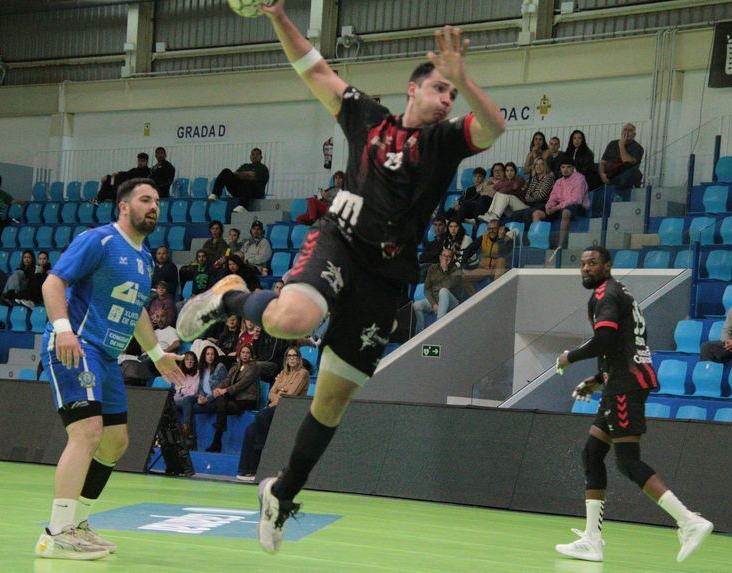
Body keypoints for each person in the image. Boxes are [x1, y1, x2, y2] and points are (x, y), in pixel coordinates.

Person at [176, 2, 505, 554]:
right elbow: (315, 68)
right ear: (413, 89)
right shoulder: (368, 118)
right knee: (290, 319)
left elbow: (492, 126)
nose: (448, 100)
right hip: (341, 240)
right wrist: (278, 14)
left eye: (452, 94)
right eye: (441, 90)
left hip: (387, 281)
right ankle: (229, 295)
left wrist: (465, 76)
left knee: (330, 404)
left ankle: (281, 493)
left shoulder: (445, 142)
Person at [35, 177, 184, 560]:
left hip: (107, 357)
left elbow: (136, 313)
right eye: (145, 199)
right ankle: (58, 530)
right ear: (123, 206)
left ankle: (80, 523)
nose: (154, 207)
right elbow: (53, 283)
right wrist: (64, 329)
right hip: (77, 347)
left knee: (116, 442)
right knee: (87, 432)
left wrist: (156, 354)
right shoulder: (98, 240)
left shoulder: (145, 257)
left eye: (157, 202)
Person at [554, 246, 713, 564]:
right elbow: (625, 344)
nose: (586, 268)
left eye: (593, 263)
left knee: (627, 462)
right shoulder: (618, 292)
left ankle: (689, 521)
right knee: (593, 453)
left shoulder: (606, 294)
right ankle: (592, 540)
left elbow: (605, 340)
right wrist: (598, 379)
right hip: (620, 381)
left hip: (626, 385)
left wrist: (568, 357)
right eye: (582, 263)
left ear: (608, 266)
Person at [236, 346, 310, 482]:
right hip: (277, 407)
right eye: (290, 356)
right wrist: (279, 397)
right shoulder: (283, 373)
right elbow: (271, 393)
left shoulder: (302, 373)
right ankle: (246, 470)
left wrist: (276, 398)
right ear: (286, 359)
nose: (292, 359)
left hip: (291, 410)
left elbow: (291, 395)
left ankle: (264, 448)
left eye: (295, 356)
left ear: (299, 359)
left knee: (261, 416)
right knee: (250, 430)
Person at [205, 343, 260, 452]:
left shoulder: (254, 367)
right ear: (239, 353)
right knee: (221, 401)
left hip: (248, 400)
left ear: (251, 355)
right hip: (236, 398)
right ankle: (217, 441)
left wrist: (225, 390)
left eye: (247, 353)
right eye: (243, 352)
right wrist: (218, 388)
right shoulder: (236, 366)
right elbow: (227, 380)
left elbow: (241, 384)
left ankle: (217, 440)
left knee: (221, 406)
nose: (245, 355)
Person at [535, 156, 590, 252]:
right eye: (563, 167)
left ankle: (561, 246)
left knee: (566, 212)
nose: (565, 170)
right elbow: (553, 197)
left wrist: (556, 208)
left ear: (573, 168)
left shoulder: (579, 178)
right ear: (560, 168)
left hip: (579, 207)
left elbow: (576, 199)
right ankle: (538, 245)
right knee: (537, 213)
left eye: (568, 167)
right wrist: (549, 206)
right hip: (561, 206)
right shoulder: (559, 181)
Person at [413, 248, 461, 334]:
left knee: (443, 291)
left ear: (453, 259)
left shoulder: (457, 271)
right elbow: (427, 289)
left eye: (449, 257)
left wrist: (445, 270)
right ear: (440, 257)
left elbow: (448, 285)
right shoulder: (432, 268)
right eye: (444, 256)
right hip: (436, 301)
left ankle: (438, 328)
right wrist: (434, 304)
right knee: (417, 305)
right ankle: (421, 332)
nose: (446, 259)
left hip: (452, 302)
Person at [460, 219, 513, 296]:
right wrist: (463, 265)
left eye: (494, 228)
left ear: (499, 229)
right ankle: (475, 299)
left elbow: (503, 254)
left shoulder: (508, 240)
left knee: (500, 260)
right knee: (464, 277)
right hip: (484, 269)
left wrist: (501, 239)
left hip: (499, 270)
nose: (491, 231)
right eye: (489, 229)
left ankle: (495, 293)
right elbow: (468, 250)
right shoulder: (484, 238)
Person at [209, 148, 270, 212]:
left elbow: (252, 177)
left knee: (248, 182)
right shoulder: (245, 165)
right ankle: (215, 194)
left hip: (255, 192)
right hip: (241, 190)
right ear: (250, 157)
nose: (254, 156)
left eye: (257, 154)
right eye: (253, 154)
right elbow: (235, 174)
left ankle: (243, 206)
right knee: (226, 171)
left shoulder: (262, 168)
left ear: (261, 157)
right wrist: (247, 174)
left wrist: (241, 175)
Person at [600, 123, 644, 189]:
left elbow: (626, 161)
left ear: (634, 135)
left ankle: (619, 195)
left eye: (630, 130)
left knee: (627, 167)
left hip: (626, 175)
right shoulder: (612, 144)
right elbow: (602, 162)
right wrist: (602, 174)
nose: (627, 132)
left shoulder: (638, 148)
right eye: (625, 130)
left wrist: (621, 145)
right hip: (611, 172)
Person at [173, 351, 200, 448]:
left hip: (194, 398)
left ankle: (186, 429)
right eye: (187, 360)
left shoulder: (198, 373)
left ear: (195, 362)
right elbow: (177, 389)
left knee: (187, 400)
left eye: (192, 360)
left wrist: (182, 389)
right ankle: (180, 435)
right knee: (170, 403)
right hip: (181, 399)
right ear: (183, 361)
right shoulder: (179, 373)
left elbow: (194, 391)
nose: (189, 362)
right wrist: (182, 390)